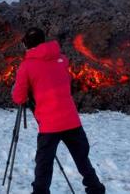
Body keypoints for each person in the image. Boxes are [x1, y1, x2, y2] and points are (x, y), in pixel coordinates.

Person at [12, 27, 106, 194]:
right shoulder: (62, 59)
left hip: (50, 124)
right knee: (82, 160)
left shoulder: (26, 67)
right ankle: (95, 189)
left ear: (26, 44)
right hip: (71, 120)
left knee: (44, 165)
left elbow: (19, 97)